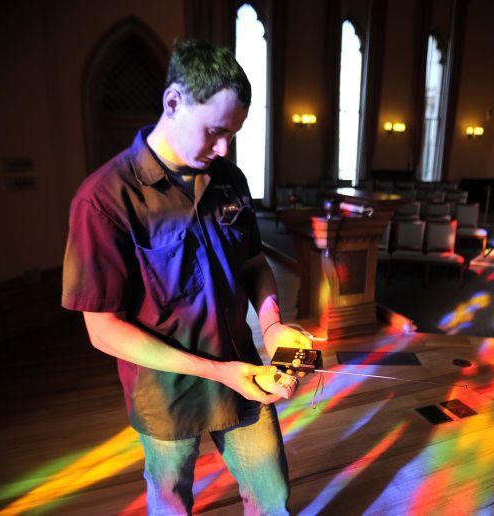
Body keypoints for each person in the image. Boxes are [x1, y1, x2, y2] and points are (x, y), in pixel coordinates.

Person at [61, 39, 311, 515]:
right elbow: (102, 329)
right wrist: (215, 372)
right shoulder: (104, 199)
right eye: (215, 131)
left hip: (243, 368)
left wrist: (274, 325)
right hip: (164, 390)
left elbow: (254, 263)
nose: (223, 149)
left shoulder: (228, 178)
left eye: (232, 135)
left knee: (273, 496)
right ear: (173, 101)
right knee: (171, 501)